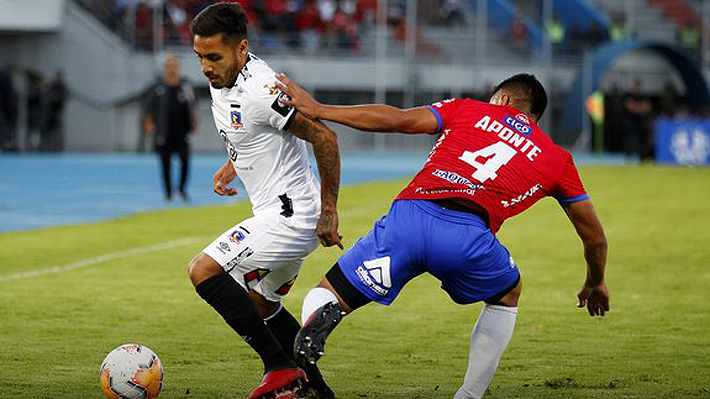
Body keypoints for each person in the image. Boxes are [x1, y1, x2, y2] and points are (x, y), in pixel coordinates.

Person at [276, 73, 610, 399]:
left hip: (410, 217)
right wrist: (595, 281)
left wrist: (321, 109)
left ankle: (317, 336)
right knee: (508, 293)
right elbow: (594, 238)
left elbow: (396, 120)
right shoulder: (558, 159)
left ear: (503, 99)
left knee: (328, 294)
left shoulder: (468, 109)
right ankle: (469, 394)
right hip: (468, 237)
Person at [187, 3, 342, 399]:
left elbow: (325, 139)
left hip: (292, 217)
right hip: (281, 213)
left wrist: (329, 212)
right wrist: (231, 166)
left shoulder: (262, 89)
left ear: (241, 50)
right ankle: (317, 390)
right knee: (260, 305)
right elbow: (250, 131)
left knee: (203, 270)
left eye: (214, 57)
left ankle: (278, 369)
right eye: (200, 57)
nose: (205, 66)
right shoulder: (224, 76)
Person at [144, 55, 197, 201]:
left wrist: (194, 122)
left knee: (185, 161)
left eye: (174, 65)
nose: (171, 68)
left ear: (178, 67)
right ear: (165, 68)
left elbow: (193, 105)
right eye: (169, 65)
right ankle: (168, 192)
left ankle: (181, 189)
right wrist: (149, 124)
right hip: (163, 132)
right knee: (165, 164)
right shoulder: (158, 87)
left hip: (182, 131)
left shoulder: (186, 86)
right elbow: (149, 108)